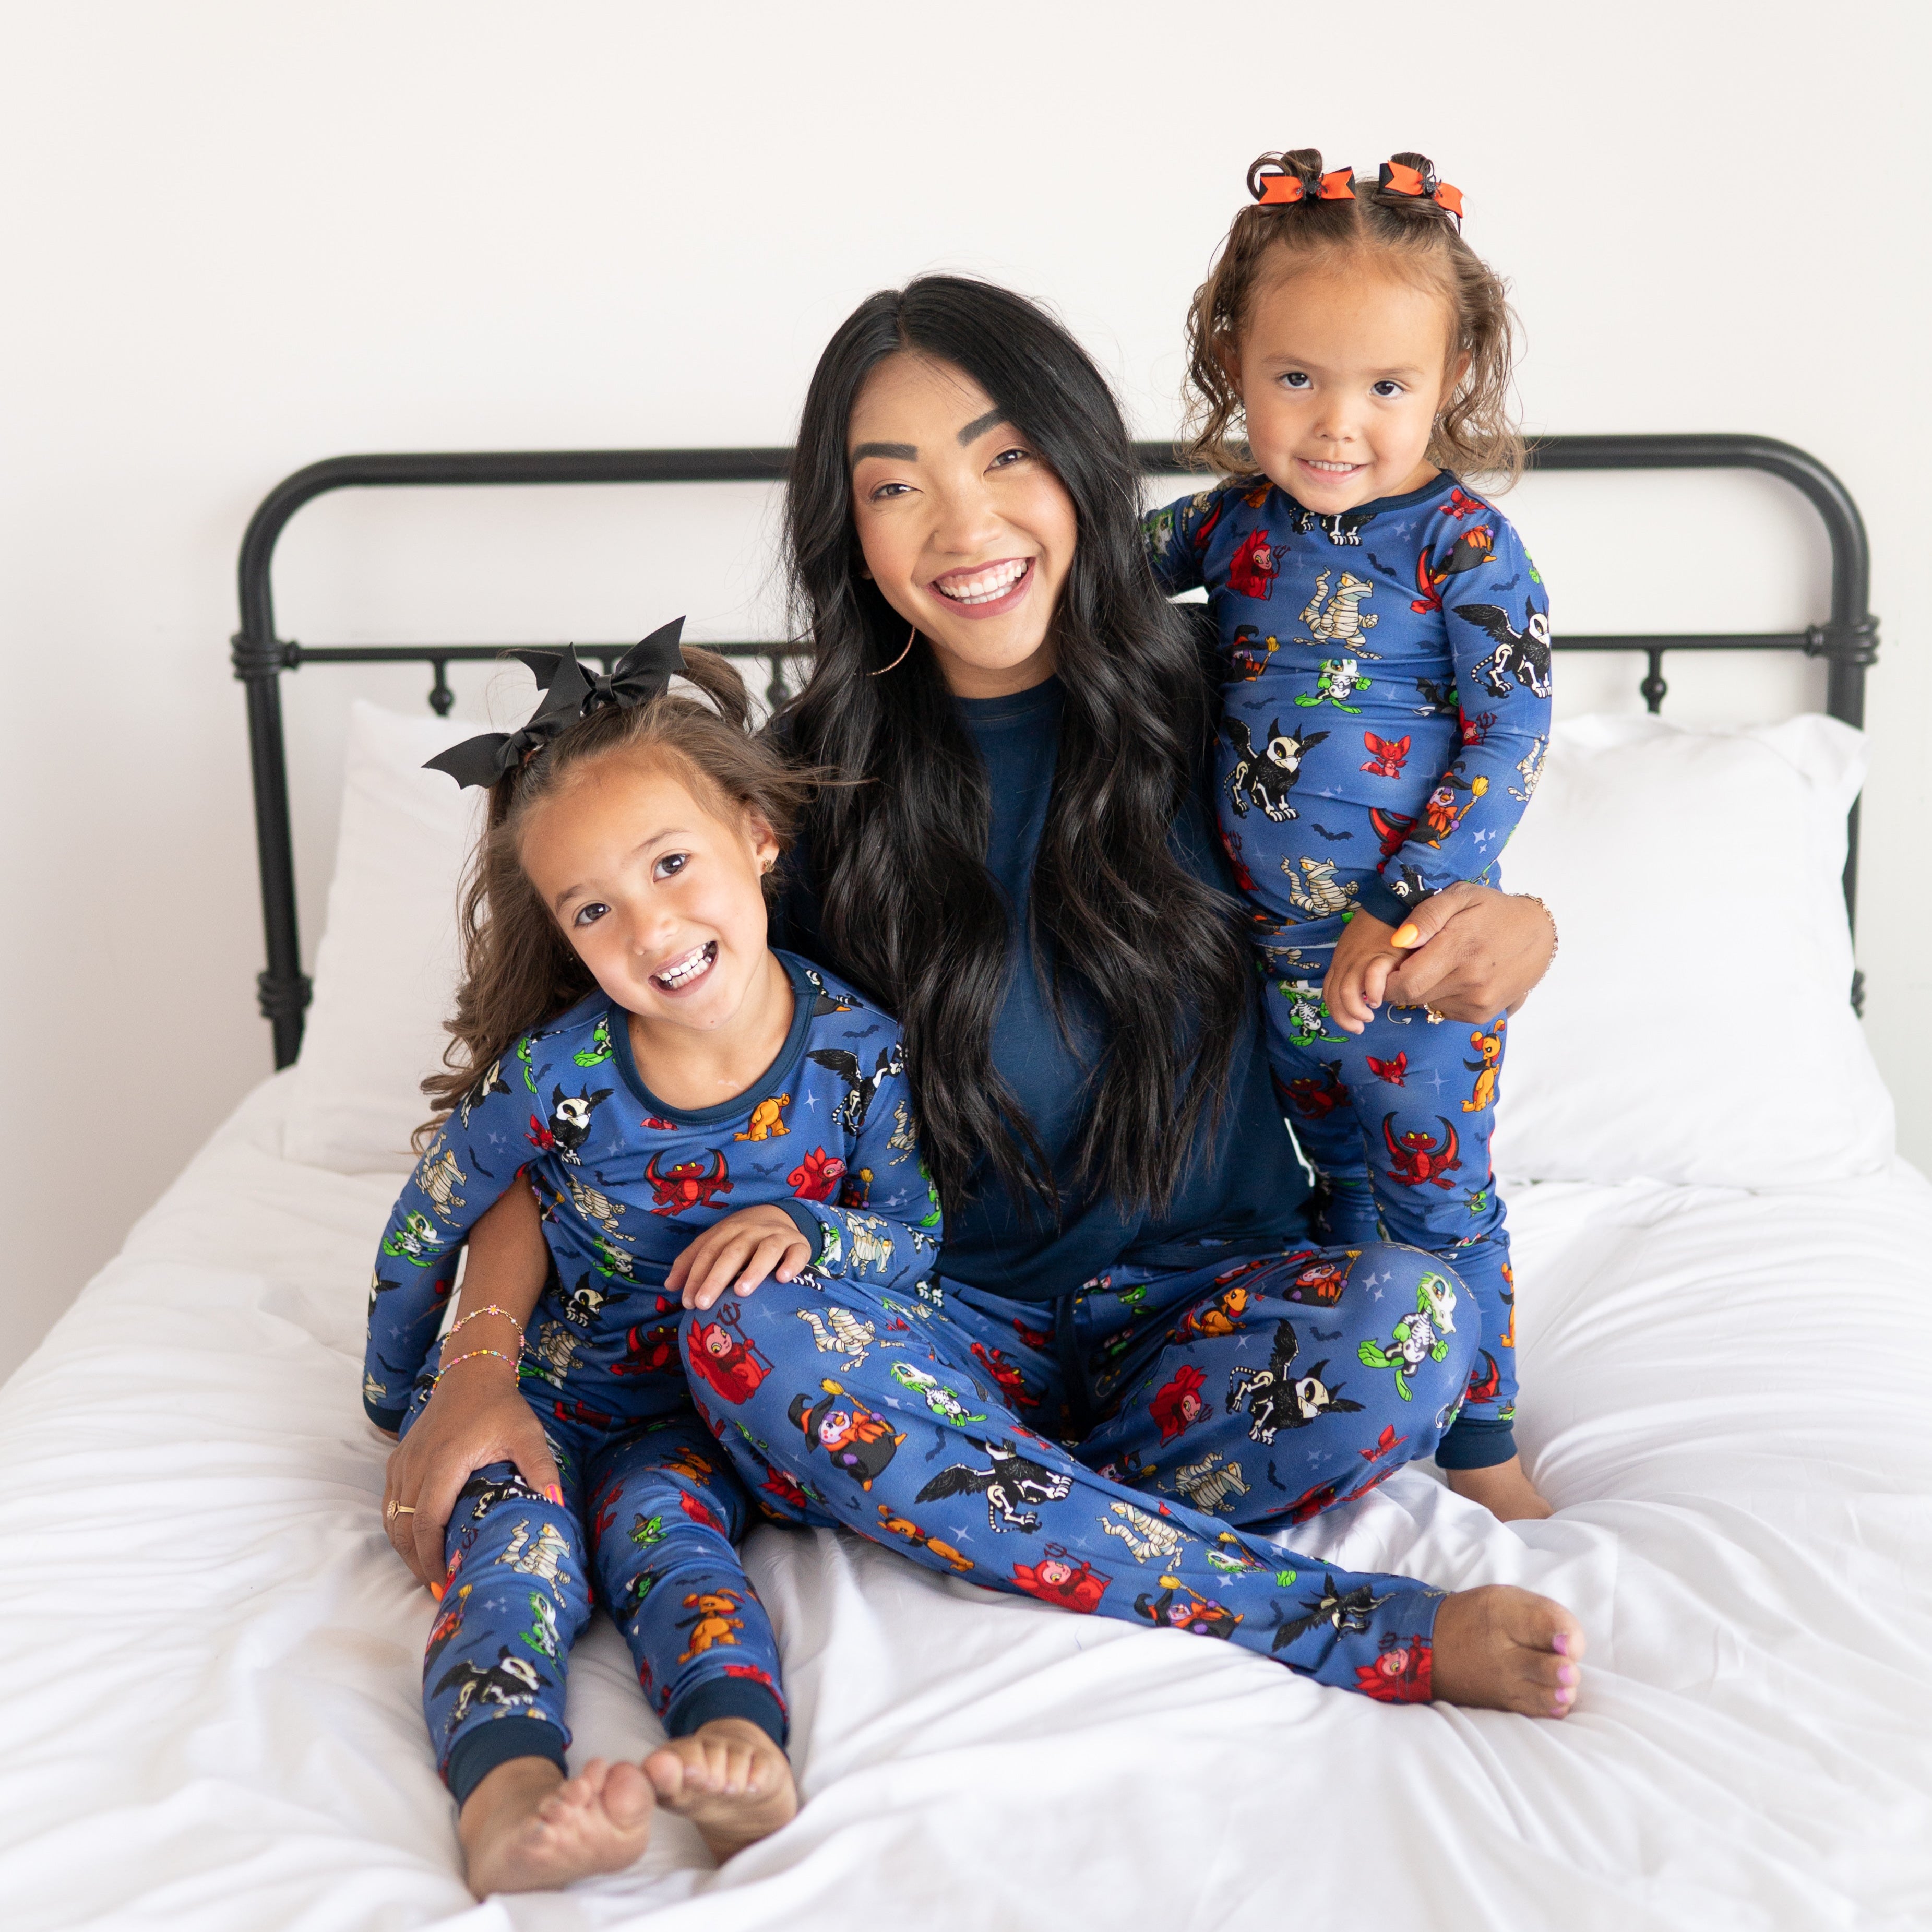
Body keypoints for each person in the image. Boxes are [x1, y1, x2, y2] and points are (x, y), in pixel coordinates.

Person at [429, 277, 1578, 1722]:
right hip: (922, 1316)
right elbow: (559, 1088)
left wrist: (1517, 925)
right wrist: (478, 1370)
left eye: (1003, 457)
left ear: (1082, 467)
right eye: (894, 486)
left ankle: (979, 1504)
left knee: (1410, 1320)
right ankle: (1334, 1618)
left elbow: (1420, 858)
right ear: (847, 530)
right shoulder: (786, 793)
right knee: (747, 1332)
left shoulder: (1238, 696)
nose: (964, 528)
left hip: (1204, 1314)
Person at [367, 630, 937, 1892]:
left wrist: (817, 1232)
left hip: (703, 1424)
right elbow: (430, 1218)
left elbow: (918, 1242)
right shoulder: (557, 1073)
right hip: (548, 1405)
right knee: (515, 1557)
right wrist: (406, 1395)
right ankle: (507, 1785)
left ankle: (737, 1745)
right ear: (566, 936)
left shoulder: (860, 1055)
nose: (651, 927)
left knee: (679, 1556)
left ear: (758, 836)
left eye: (672, 863)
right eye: (594, 909)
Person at [1142, 149, 1548, 1497]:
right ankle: (1369, 1399)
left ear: (1452, 379)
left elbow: (1506, 733)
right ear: (1229, 362)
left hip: (1412, 958)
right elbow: (1079, 561)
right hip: (1259, 960)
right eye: (1294, 377)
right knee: (1332, 1194)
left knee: (1435, 1194)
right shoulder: (1226, 526)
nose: (1335, 424)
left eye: (1386, 386)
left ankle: (1482, 1445)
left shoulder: (1462, 545)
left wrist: (1403, 896)